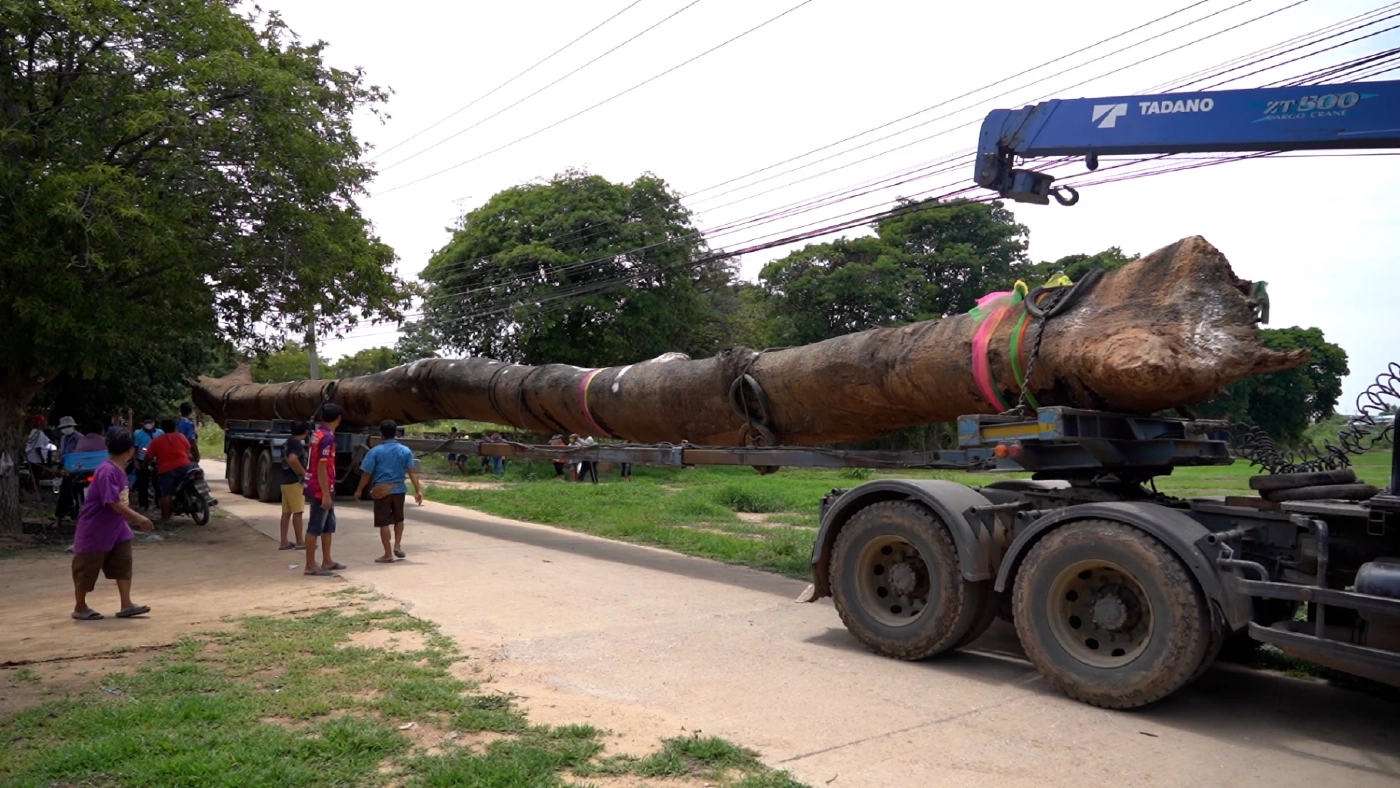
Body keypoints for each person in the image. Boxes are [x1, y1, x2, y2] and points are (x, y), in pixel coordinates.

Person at [70, 428, 153, 620]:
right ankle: (80, 607)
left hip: (117, 527)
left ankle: (126, 604)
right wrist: (138, 517)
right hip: (95, 528)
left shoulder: (117, 469)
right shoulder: (107, 471)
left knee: (123, 562)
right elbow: (112, 501)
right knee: (87, 568)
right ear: (130, 450)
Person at [354, 420, 424, 564]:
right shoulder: (405, 450)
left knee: (383, 522)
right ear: (396, 433)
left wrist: (359, 489)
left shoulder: (375, 451)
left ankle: (387, 554)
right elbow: (412, 471)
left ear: (381, 434)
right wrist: (418, 491)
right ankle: (397, 546)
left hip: (381, 491)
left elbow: (366, 473)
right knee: (399, 519)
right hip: (399, 490)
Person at [304, 403, 345, 577]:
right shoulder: (327, 438)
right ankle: (310, 565)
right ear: (338, 419)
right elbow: (321, 467)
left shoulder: (318, 434)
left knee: (328, 526)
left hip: (322, 486)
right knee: (315, 526)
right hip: (321, 489)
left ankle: (327, 560)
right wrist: (326, 494)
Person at [145, 419, 195, 522]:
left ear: (163, 429)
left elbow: (148, 457)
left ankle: (165, 519)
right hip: (185, 466)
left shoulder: (157, 440)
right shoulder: (181, 437)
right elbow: (188, 452)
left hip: (166, 469)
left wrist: (146, 464)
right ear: (175, 427)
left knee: (166, 494)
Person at [278, 421, 310, 551]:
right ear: (305, 432)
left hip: (284, 480)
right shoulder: (297, 444)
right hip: (294, 481)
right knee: (298, 512)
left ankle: (284, 541)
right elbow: (292, 459)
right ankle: (299, 541)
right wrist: (304, 473)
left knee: (286, 512)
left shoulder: (287, 442)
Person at [132, 416, 163, 511]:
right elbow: (135, 448)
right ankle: (143, 504)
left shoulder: (160, 433)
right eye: (146, 422)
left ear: (154, 422)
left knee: (158, 483)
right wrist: (135, 460)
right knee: (142, 484)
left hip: (157, 461)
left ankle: (159, 504)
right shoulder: (138, 434)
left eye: (150, 422)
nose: (148, 424)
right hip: (142, 460)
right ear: (142, 423)